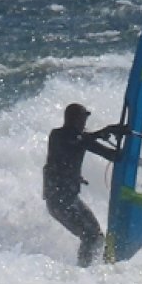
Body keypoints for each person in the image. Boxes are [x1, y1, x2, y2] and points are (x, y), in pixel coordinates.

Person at [44, 102, 127, 266]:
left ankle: (94, 269)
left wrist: (137, 157)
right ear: (74, 119)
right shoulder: (58, 135)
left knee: (97, 236)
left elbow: (112, 156)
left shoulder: (83, 139)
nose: (85, 121)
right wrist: (104, 131)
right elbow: (75, 141)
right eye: (84, 117)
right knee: (90, 236)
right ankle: (83, 271)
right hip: (58, 202)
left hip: (71, 199)